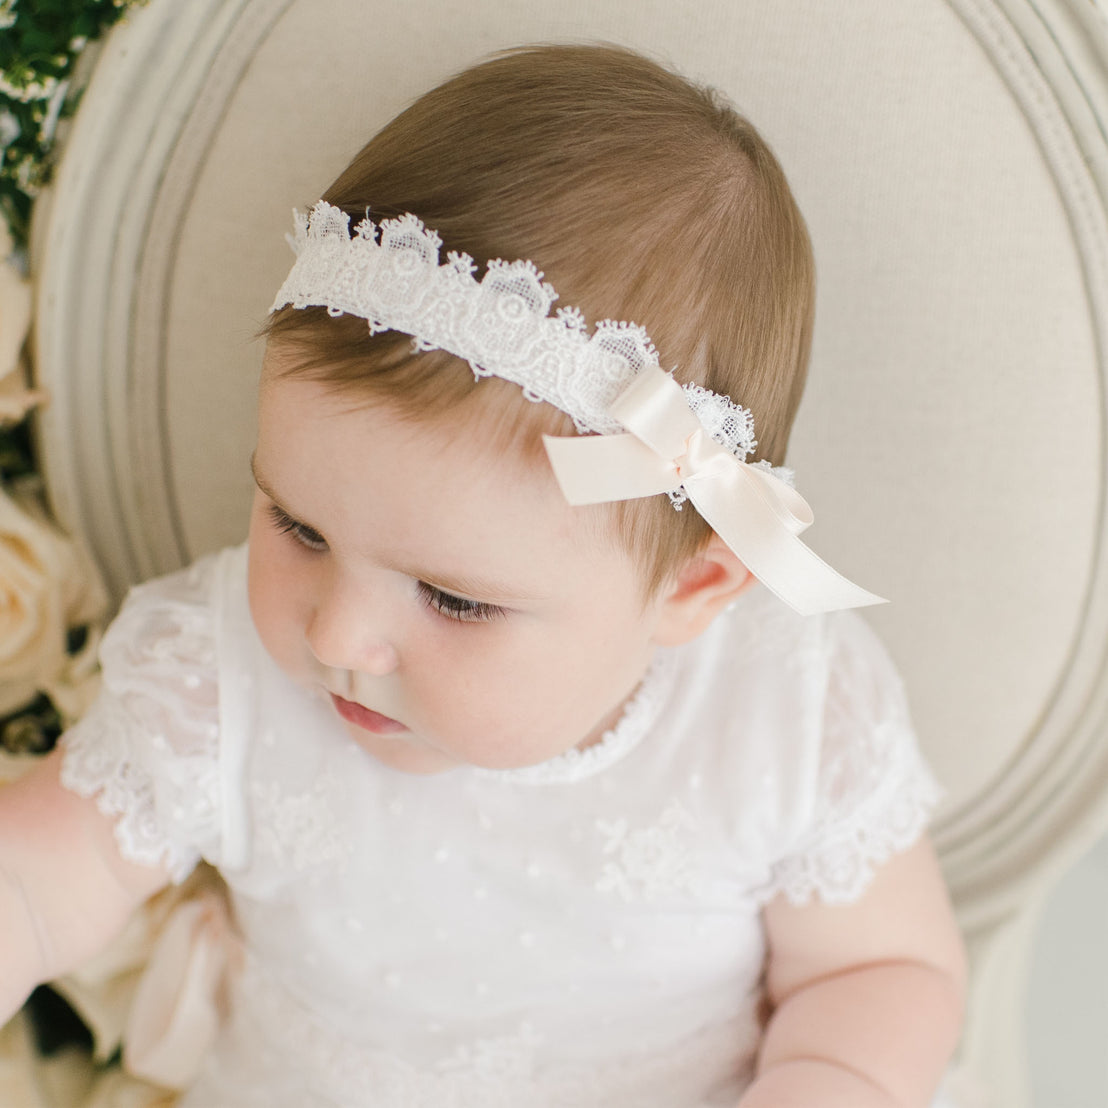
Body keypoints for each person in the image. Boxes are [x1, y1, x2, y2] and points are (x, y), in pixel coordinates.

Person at [0, 43, 966, 1107]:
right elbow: (40, 882)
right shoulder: (220, 678)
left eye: (453, 598)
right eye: (297, 524)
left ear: (692, 589)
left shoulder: (780, 711)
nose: (335, 638)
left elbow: (878, 970)